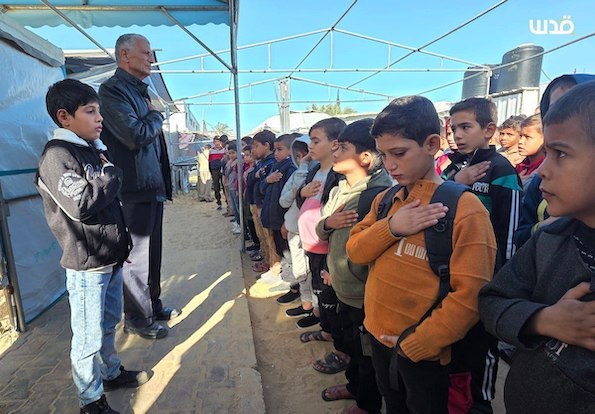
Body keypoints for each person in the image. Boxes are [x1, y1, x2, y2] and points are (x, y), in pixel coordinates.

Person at [346, 96, 497, 414]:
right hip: (379, 338)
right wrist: (392, 228)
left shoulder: (465, 210)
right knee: (393, 404)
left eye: (399, 153)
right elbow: (356, 251)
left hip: (426, 354)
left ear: (431, 144)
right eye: (383, 154)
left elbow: (472, 293)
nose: (390, 164)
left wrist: (421, 344)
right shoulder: (386, 201)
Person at [479, 80, 595, 414]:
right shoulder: (547, 240)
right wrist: (544, 320)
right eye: (547, 153)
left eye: (561, 154)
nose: (542, 170)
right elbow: (491, 303)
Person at [38, 79, 149, 414]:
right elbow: (82, 204)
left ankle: (110, 373)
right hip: (87, 265)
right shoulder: (57, 155)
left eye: (98, 110)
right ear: (64, 117)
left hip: (109, 258)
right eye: (90, 111)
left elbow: (106, 197)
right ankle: (90, 401)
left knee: (107, 323)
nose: (99, 117)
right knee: (87, 337)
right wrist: (111, 175)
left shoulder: (92, 149)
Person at [99, 34, 179, 340]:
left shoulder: (139, 92)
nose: (150, 59)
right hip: (133, 188)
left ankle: (152, 305)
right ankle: (136, 317)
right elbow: (135, 136)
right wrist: (156, 115)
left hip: (150, 186)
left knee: (152, 252)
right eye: (146, 53)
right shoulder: (112, 91)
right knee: (136, 257)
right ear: (124, 55)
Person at [316, 119, 391, 413]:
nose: (335, 153)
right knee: (350, 345)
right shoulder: (339, 189)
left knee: (367, 355)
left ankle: (367, 403)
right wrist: (329, 223)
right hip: (341, 286)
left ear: (366, 157)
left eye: (343, 148)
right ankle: (353, 386)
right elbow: (321, 231)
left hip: (364, 295)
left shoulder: (378, 196)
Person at [513, 73, 595, 250]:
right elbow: (519, 237)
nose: (562, 114)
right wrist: (544, 229)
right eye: (555, 108)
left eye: (577, 103)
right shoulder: (540, 183)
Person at [296, 118, 348, 367]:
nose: (311, 146)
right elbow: (303, 200)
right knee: (319, 292)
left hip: (328, 248)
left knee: (330, 298)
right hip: (312, 245)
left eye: (316, 141)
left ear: (335, 143)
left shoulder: (340, 176)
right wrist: (301, 193)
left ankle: (341, 350)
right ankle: (327, 331)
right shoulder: (315, 170)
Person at [278, 136, 317, 321]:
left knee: (313, 273)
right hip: (294, 230)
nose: (303, 160)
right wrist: (299, 190)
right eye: (299, 156)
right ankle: (306, 304)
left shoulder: (321, 175)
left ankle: (315, 309)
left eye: (306, 155)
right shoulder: (297, 174)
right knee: (300, 270)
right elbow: (284, 201)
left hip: (313, 234)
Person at [257, 133, 299, 285]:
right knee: (281, 250)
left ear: (291, 151)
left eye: (280, 149)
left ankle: (292, 283)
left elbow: (292, 198)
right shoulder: (275, 167)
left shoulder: (291, 169)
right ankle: (286, 279)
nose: (275, 153)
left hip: (283, 220)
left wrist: (286, 222)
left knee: (289, 252)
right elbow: (262, 189)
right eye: (275, 150)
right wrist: (267, 180)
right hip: (274, 217)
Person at [516, 114, 545, 184]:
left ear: (544, 139)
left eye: (527, 137)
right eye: (520, 136)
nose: (520, 141)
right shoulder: (520, 166)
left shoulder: (544, 169)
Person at [209, 136, 226, 210]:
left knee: (224, 185)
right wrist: (211, 171)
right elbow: (209, 162)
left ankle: (227, 202)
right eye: (215, 141)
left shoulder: (224, 150)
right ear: (213, 142)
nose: (217, 143)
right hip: (214, 170)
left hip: (222, 169)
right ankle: (219, 203)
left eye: (218, 141)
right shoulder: (211, 151)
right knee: (216, 186)